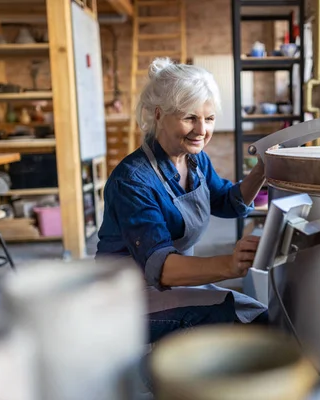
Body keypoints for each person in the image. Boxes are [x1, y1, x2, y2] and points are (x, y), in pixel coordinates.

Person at [96, 57, 268, 343]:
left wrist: (263, 169)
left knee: (254, 313)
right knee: (248, 317)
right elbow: (161, 267)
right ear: (159, 115)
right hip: (125, 297)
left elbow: (227, 201)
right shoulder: (133, 180)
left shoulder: (196, 161)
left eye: (209, 118)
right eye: (190, 117)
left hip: (165, 286)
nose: (202, 130)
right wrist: (230, 264)